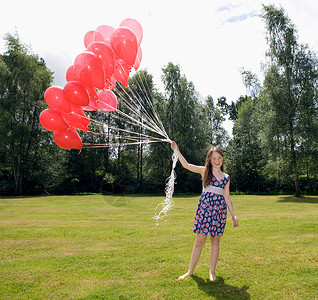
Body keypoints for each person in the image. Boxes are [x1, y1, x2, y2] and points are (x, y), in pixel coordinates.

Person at [170, 141, 239, 281]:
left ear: (222, 159)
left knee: (215, 241)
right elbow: (186, 165)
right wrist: (176, 150)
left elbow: (227, 197)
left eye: (219, 158)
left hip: (219, 211)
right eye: (214, 158)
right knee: (199, 240)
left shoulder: (226, 177)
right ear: (209, 159)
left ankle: (212, 272)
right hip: (205, 209)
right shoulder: (204, 171)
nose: (217, 161)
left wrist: (234, 215)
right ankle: (190, 272)